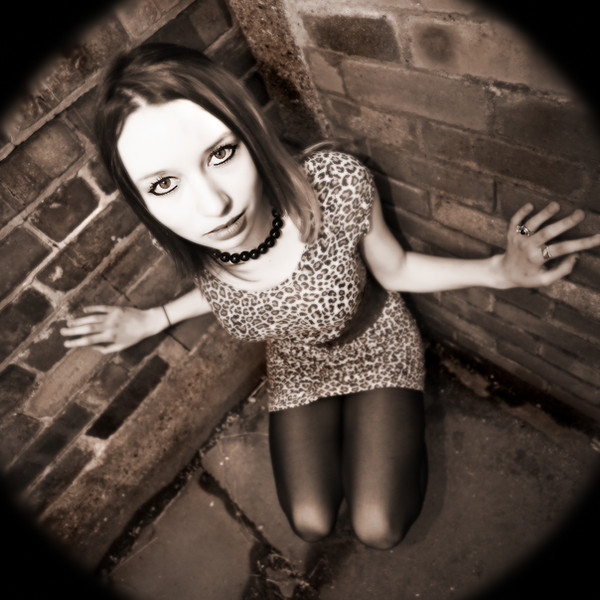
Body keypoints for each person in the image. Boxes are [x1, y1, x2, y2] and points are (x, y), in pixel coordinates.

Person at [61, 43, 600, 550]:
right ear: (142, 200)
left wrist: (499, 271)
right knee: (311, 522)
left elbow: (396, 268)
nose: (212, 205)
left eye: (221, 153)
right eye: (163, 184)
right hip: (297, 366)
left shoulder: (334, 186)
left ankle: (389, 435)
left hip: (375, 343)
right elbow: (224, 291)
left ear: (250, 132)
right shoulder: (190, 241)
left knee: (379, 526)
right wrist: (153, 318)